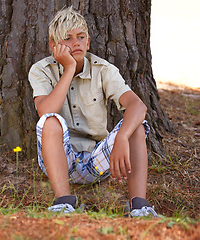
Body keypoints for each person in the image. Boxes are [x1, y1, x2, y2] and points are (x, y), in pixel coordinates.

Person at [28, 6, 157, 217]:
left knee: (136, 128)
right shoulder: (41, 69)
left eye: (80, 37)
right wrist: (69, 69)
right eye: (67, 39)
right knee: (50, 120)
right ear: (54, 46)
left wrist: (122, 137)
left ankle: (139, 206)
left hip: (97, 160)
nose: (75, 43)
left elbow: (138, 106)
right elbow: (45, 111)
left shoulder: (103, 70)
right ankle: (64, 202)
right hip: (61, 161)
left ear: (88, 42)